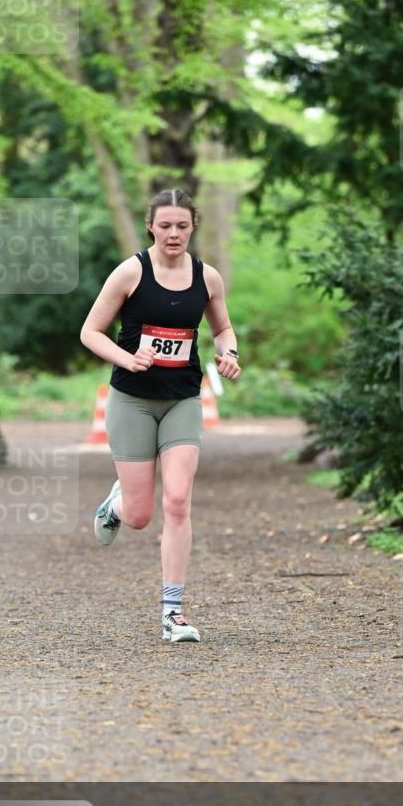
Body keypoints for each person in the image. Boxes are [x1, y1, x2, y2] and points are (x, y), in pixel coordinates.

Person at [80, 188, 241, 643]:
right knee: (138, 516)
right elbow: (90, 331)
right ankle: (115, 504)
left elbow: (223, 328)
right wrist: (126, 358)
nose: (174, 233)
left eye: (182, 226)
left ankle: (173, 614)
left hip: (183, 400)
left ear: (193, 228)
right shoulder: (131, 272)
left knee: (177, 501)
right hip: (131, 400)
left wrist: (228, 352)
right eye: (165, 225)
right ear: (151, 225)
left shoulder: (207, 277)